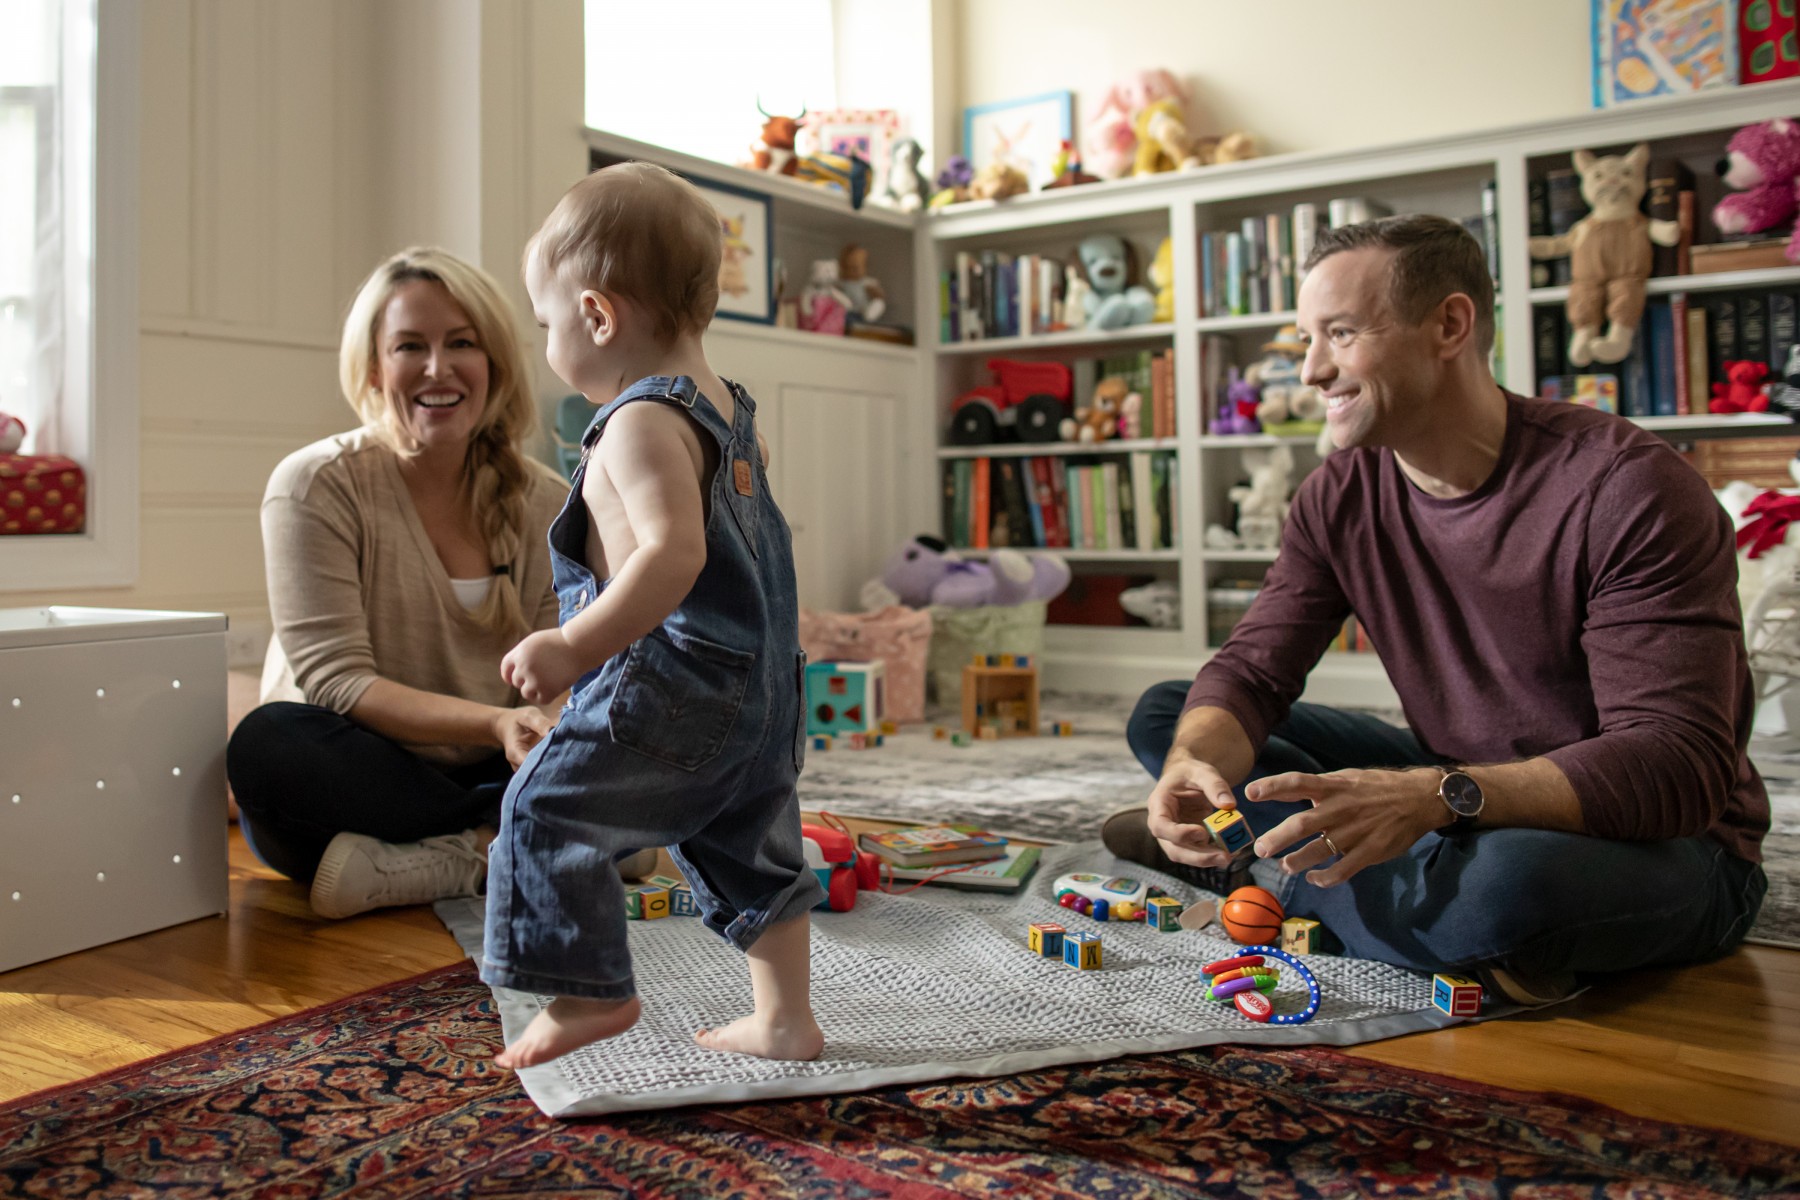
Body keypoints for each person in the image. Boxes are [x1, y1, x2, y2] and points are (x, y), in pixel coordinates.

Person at [1105, 215, 1768, 1005]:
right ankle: (1367, 883)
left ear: (1450, 325)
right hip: (1454, 779)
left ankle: (1259, 870)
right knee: (1174, 715)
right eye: (1308, 340)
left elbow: (1676, 765)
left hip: (1660, 837)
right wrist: (1193, 766)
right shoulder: (1337, 496)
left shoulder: (1629, 490)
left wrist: (1432, 799)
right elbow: (1252, 670)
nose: (1311, 371)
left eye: (1340, 334)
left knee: (1505, 889)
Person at [481, 162, 823, 1069]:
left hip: (679, 688)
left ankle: (588, 991)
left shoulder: (637, 423)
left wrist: (571, 644)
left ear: (597, 316)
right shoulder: (726, 411)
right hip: (766, 689)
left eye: (546, 323)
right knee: (753, 851)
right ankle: (785, 1020)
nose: (547, 341)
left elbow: (673, 555)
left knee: (543, 808)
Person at [228, 247, 654, 919]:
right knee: (267, 747)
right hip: (363, 768)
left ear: (493, 364)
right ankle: (530, 841)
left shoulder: (547, 501)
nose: (437, 368)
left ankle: (454, 859)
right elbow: (338, 682)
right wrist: (496, 723)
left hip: (494, 760)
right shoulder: (314, 484)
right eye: (409, 346)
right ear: (375, 368)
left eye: (461, 343)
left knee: (637, 723)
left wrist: (544, 730)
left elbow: (563, 672)